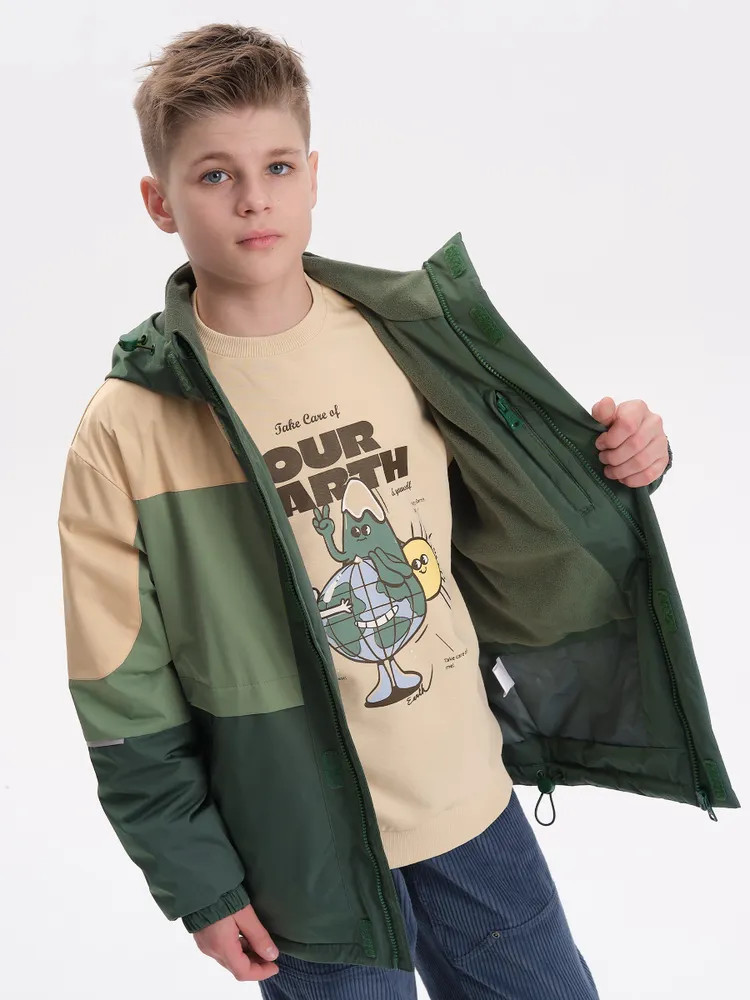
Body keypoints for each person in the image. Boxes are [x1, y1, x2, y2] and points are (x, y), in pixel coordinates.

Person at [58, 21, 735, 1000]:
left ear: (314, 175)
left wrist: (633, 459)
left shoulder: (404, 336)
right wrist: (198, 881)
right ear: (159, 201)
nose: (253, 198)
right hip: (298, 851)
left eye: (277, 166)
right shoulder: (129, 426)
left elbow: (532, 497)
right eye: (213, 175)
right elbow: (121, 693)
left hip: (465, 802)